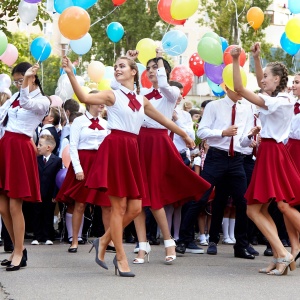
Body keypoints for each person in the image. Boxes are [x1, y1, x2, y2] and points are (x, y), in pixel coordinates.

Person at [62, 52, 198, 277]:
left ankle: (103, 240)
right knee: (119, 207)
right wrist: (70, 74)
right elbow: (84, 97)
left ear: (134, 72)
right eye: (115, 66)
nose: (117, 69)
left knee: (135, 207)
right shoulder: (112, 95)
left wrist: (183, 133)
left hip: (132, 149)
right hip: (116, 148)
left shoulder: (141, 98)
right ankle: (122, 259)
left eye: (122, 66)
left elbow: (163, 120)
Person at [131, 50, 210, 265]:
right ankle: (142, 245)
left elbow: (165, 87)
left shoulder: (171, 92)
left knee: (154, 197)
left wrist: (160, 59)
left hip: (158, 142)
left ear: (164, 71)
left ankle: (169, 241)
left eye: (156, 68)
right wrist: (130, 61)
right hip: (140, 142)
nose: (151, 72)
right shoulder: (142, 94)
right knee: (137, 196)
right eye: (148, 69)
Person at [231, 44, 300, 275]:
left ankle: (282, 253)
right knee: (260, 209)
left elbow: (239, 88)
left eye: (267, 77)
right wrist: (257, 58)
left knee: (255, 209)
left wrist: (234, 60)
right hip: (272, 151)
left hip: (271, 152)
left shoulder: (278, 101)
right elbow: (263, 82)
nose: (262, 80)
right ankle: (281, 254)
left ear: (277, 78)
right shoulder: (283, 98)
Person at [176, 86, 260, 259]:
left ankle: (241, 245)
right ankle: (183, 240)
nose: (240, 91)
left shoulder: (246, 108)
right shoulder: (215, 106)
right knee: (201, 198)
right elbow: (202, 131)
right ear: (227, 87)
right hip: (216, 157)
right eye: (237, 88)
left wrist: (250, 136)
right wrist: (223, 132)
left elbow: (242, 142)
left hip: (236, 160)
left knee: (243, 202)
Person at [0, 62, 50, 271]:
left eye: (22, 79)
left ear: (33, 77)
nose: (19, 84)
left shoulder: (43, 101)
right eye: (17, 81)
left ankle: (19, 251)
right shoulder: (14, 98)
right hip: (5, 147)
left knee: (14, 206)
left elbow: (28, 103)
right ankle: (17, 249)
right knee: (3, 207)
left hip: (20, 149)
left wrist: (24, 86)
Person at [56, 94, 111, 253]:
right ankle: (74, 240)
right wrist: (78, 169)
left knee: (106, 205)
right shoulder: (79, 121)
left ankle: (109, 240)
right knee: (80, 204)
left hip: (100, 163)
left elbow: (108, 147)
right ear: (89, 103)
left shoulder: (106, 123)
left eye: (103, 102)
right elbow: (73, 146)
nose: (102, 104)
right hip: (83, 162)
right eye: (99, 101)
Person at [31, 135, 62, 245]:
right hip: (38, 192)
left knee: (48, 214)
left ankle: (48, 236)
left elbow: (57, 179)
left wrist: (55, 194)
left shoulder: (57, 160)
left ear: (48, 147)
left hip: (50, 192)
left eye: (40, 145)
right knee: (36, 213)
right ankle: (37, 236)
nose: (37, 147)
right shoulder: (36, 159)